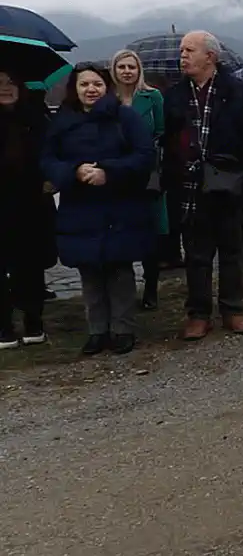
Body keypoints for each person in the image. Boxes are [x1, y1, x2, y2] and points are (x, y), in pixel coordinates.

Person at [164, 31, 243, 340]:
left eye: (189, 50)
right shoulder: (174, 96)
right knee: (196, 254)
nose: (182, 56)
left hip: (230, 183)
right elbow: (166, 141)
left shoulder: (240, 93)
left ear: (209, 56)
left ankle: (233, 310)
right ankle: (198, 314)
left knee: (232, 249)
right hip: (188, 185)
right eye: (182, 50)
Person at [41, 63, 156, 355]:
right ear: (74, 89)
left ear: (107, 87)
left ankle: (122, 329)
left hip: (120, 204)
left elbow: (144, 156)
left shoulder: (124, 118)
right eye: (84, 85)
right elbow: (47, 160)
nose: (90, 89)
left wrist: (108, 171)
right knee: (89, 272)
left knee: (119, 270)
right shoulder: (62, 122)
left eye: (97, 84)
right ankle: (97, 330)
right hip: (79, 207)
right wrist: (73, 172)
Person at [0, 70, 55, 349]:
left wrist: (51, 179)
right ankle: (4, 327)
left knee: (31, 266)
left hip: (31, 204)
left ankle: (34, 322)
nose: (5, 88)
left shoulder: (35, 118)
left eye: (10, 82)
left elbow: (51, 153)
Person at [111, 50, 167, 310]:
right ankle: (122, 289)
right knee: (120, 231)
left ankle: (152, 287)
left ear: (139, 70)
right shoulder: (107, 100)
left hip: (147, 171)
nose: (126, 71)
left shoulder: (152, 96)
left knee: (151, 232)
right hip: (115, 173)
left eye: (131, 66)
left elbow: (162, 130)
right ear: (114, 70)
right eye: (121, 66)